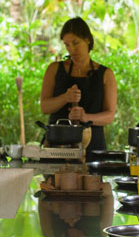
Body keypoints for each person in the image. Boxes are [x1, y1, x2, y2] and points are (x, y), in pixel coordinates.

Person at [40, 17, 117, 160]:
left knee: (91, 182)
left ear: (87, 39)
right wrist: (65, 98)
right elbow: (45, 107)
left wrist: (85, 117)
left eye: (75, 43)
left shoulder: (105, 74)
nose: (71, 49)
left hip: (92, 147)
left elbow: (109, 115)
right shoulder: (54, 69)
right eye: (67, 45)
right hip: (57, 147)